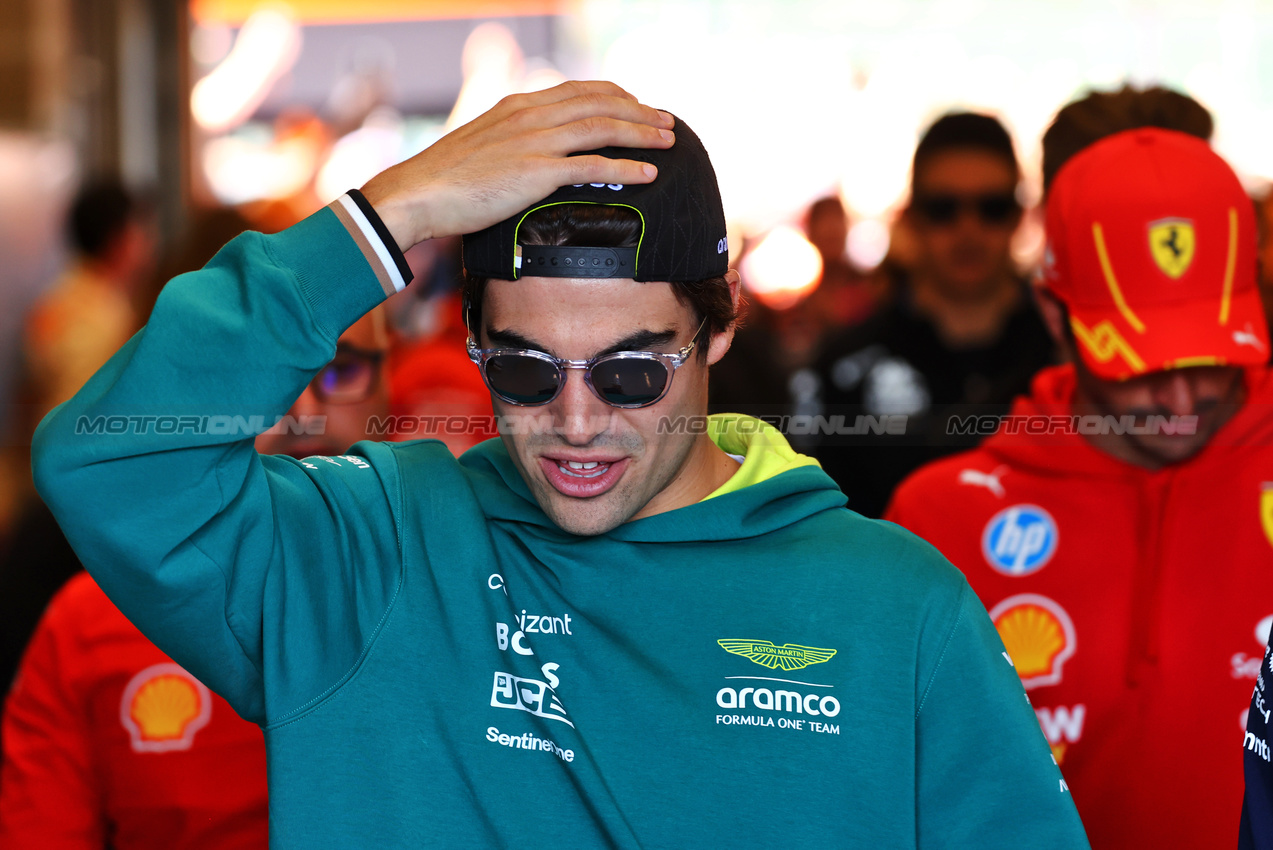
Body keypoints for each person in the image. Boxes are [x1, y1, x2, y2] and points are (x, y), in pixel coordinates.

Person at [30, 82, 1088, 847]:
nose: (575, 421)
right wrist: (385, 217)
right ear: (474, 343)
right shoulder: (373, 551)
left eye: (632, 373)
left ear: (717, 335)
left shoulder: (897, 609)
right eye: (525, 371)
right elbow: (110, 464)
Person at [885, 125, 1273, 848]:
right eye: (1141, 365)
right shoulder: (941, 517)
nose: (1182, 399)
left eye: (1216, 356)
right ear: (1054, 315)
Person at [0, 310, 391, 847]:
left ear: (387, 389)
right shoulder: (88, 624)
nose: (304, 412)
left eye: (339, 370)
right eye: (271, 376)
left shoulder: (460, 589)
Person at [798, 112, 1055, 518]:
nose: (968, 229)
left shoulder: (1063, 353)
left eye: (991, 207)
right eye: (943, 208)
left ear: (1018, 216)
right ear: (914, 217)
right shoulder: (843, 367)